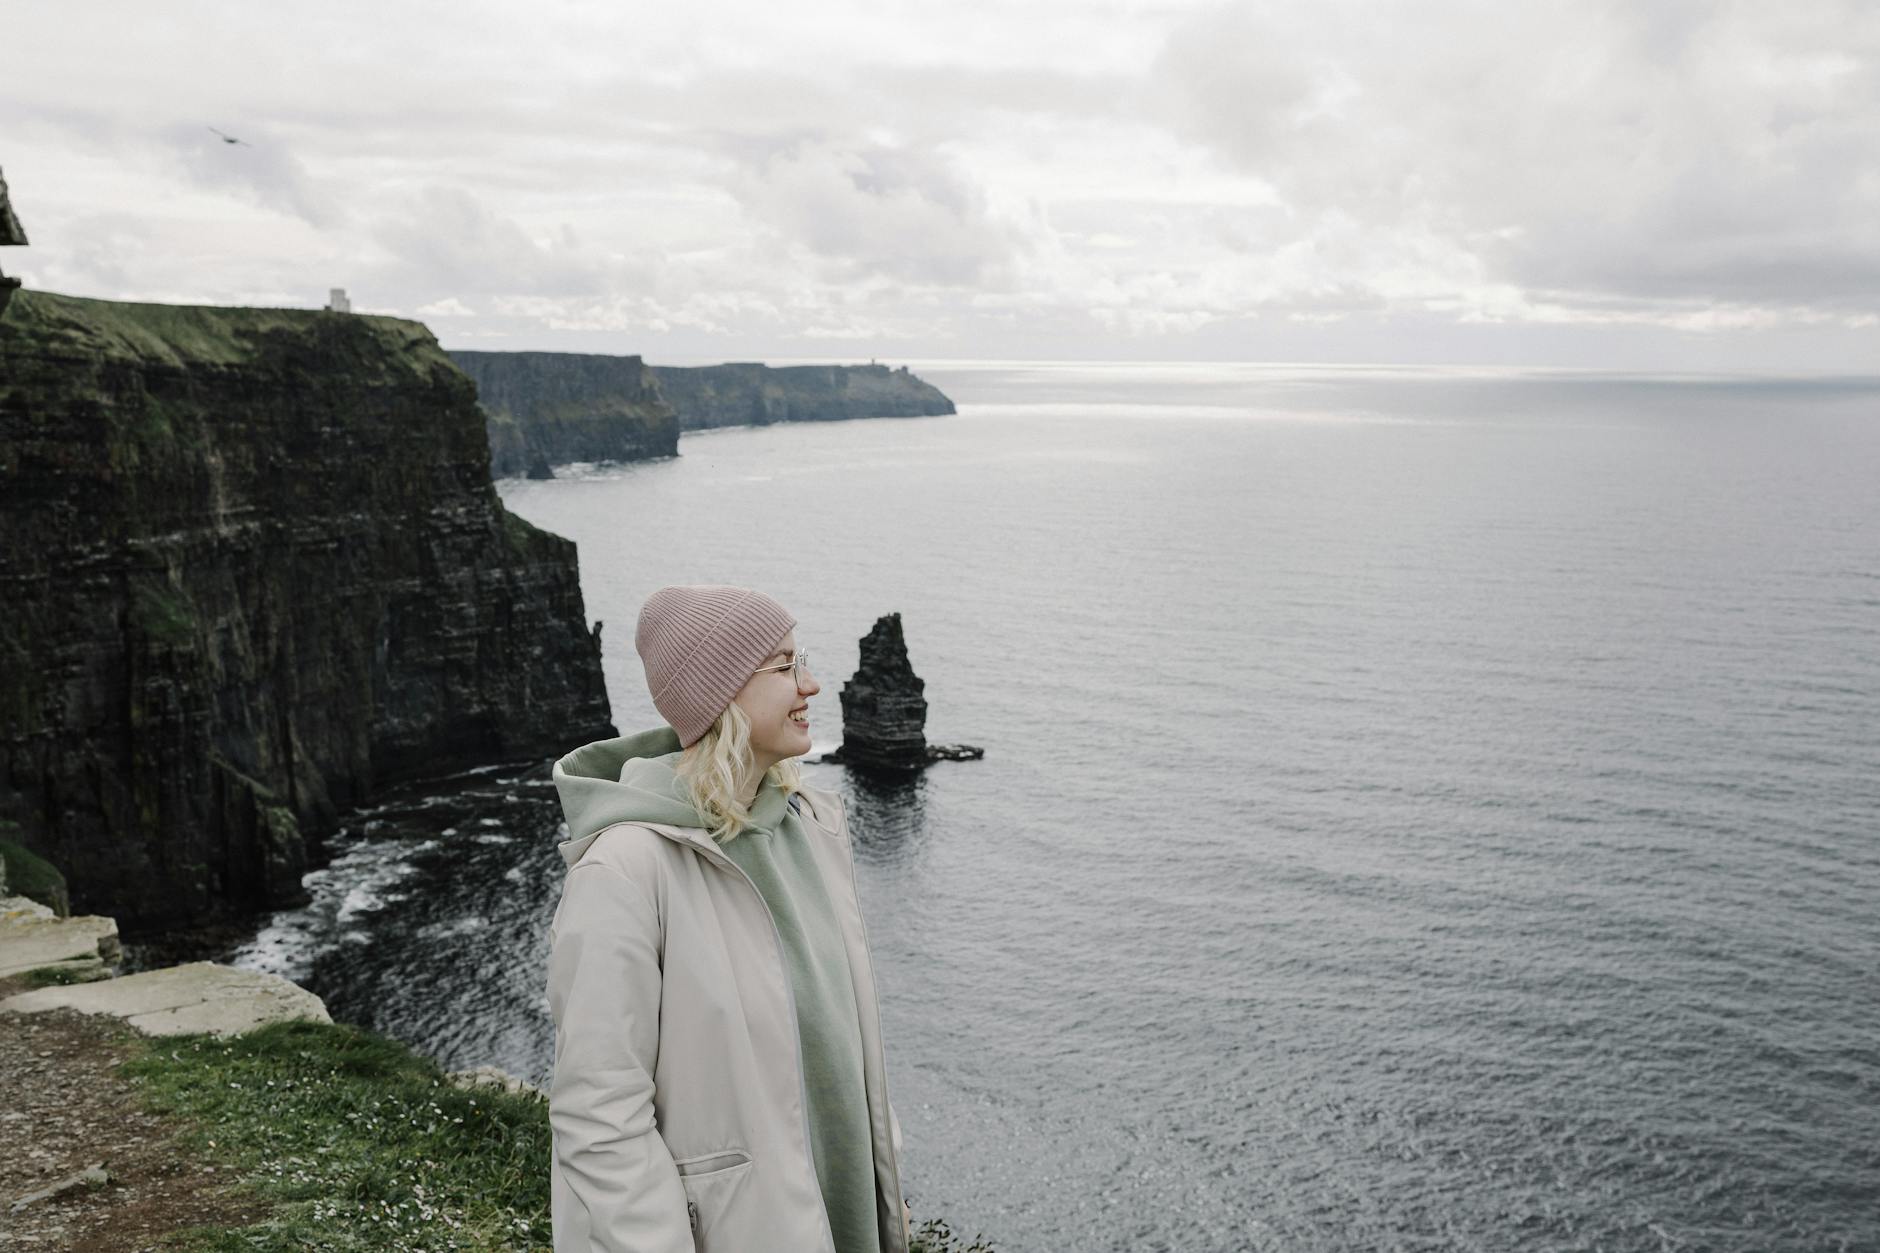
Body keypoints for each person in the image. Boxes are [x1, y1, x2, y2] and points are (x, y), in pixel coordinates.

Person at [546, 584, 912, 1252]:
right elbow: (599, 1122)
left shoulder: (810, 828)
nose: (812, 684)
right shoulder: (624, 869)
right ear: (721, 692)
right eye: (783, 666)